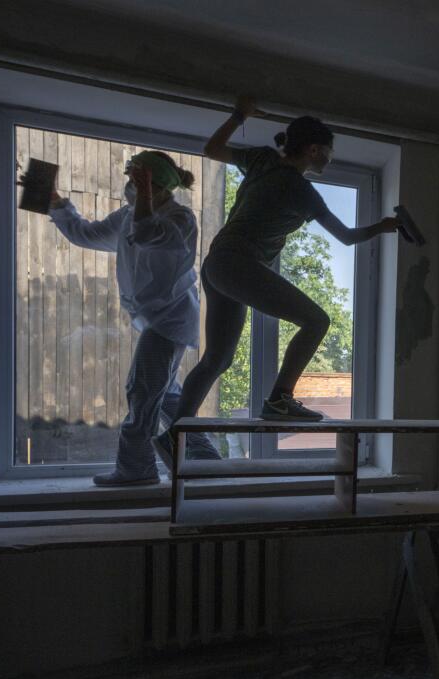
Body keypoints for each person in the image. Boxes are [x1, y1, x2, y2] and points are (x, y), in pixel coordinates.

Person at [154, 98, 401, 468]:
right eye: (329, 154)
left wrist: (240, 114)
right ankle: (280, 400)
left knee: (217, 359)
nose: (329, 160)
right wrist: (383, 227)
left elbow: (212, 148)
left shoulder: (261, 160)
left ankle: (173, 436)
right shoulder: (300, 189)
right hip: (237, 263)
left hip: (217, 265)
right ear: (315, 149)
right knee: (317, 320)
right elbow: (347, 237)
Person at [38, 151, 222, 486]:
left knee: (141, 391)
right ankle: (206, 457)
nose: (129, 187)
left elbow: (149, 233)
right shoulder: (128, 216)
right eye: (131, 180)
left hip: (171, 320)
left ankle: (137, 470)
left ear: (158, 186)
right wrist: (54, 201)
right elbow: (87, 234)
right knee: (164, 394)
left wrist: (146, 195)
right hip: (157, 319)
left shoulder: (181, 219)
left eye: (137, 181)